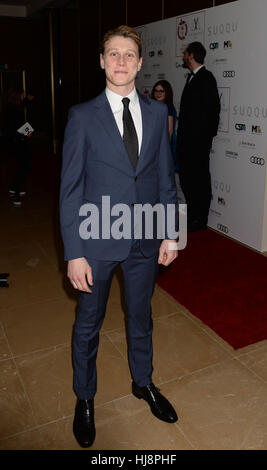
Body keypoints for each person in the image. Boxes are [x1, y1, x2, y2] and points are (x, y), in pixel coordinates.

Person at [60, 25, 179, 448]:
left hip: (145, 239)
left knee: (141, 316)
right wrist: (74, 254)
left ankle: (143, 382)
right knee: (88, 324)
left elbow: (166, 178)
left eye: (129, 54)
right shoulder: (82, 117)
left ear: (141, 62)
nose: (121, 62)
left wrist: (171, 234)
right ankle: (85, 397)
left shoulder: (158, 113)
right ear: (101, 61)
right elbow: (70, 191)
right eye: (113, 54)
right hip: (95, 241)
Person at [176, 41, 220, 232]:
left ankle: (200, 219)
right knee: (187, 179)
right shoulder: (191, 78)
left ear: (191, 55)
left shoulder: (206, 77)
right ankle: (192, 215)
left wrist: (207, 137)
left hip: (198, 143)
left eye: (185, 53)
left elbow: (213, 110)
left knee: (200, 179)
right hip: (186, 142)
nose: (183, 56)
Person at [5, 87, 34, 207]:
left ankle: (13, 188)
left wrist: (27, 100)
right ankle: (16, 193)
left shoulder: (11, 107)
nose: (24, 96)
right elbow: (17, 127)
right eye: (23, 95)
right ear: (18, 97)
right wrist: (29, 131)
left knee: (21, 166)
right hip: (18, 143)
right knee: (25, 167)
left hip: (14, 142)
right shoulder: (15, 112)